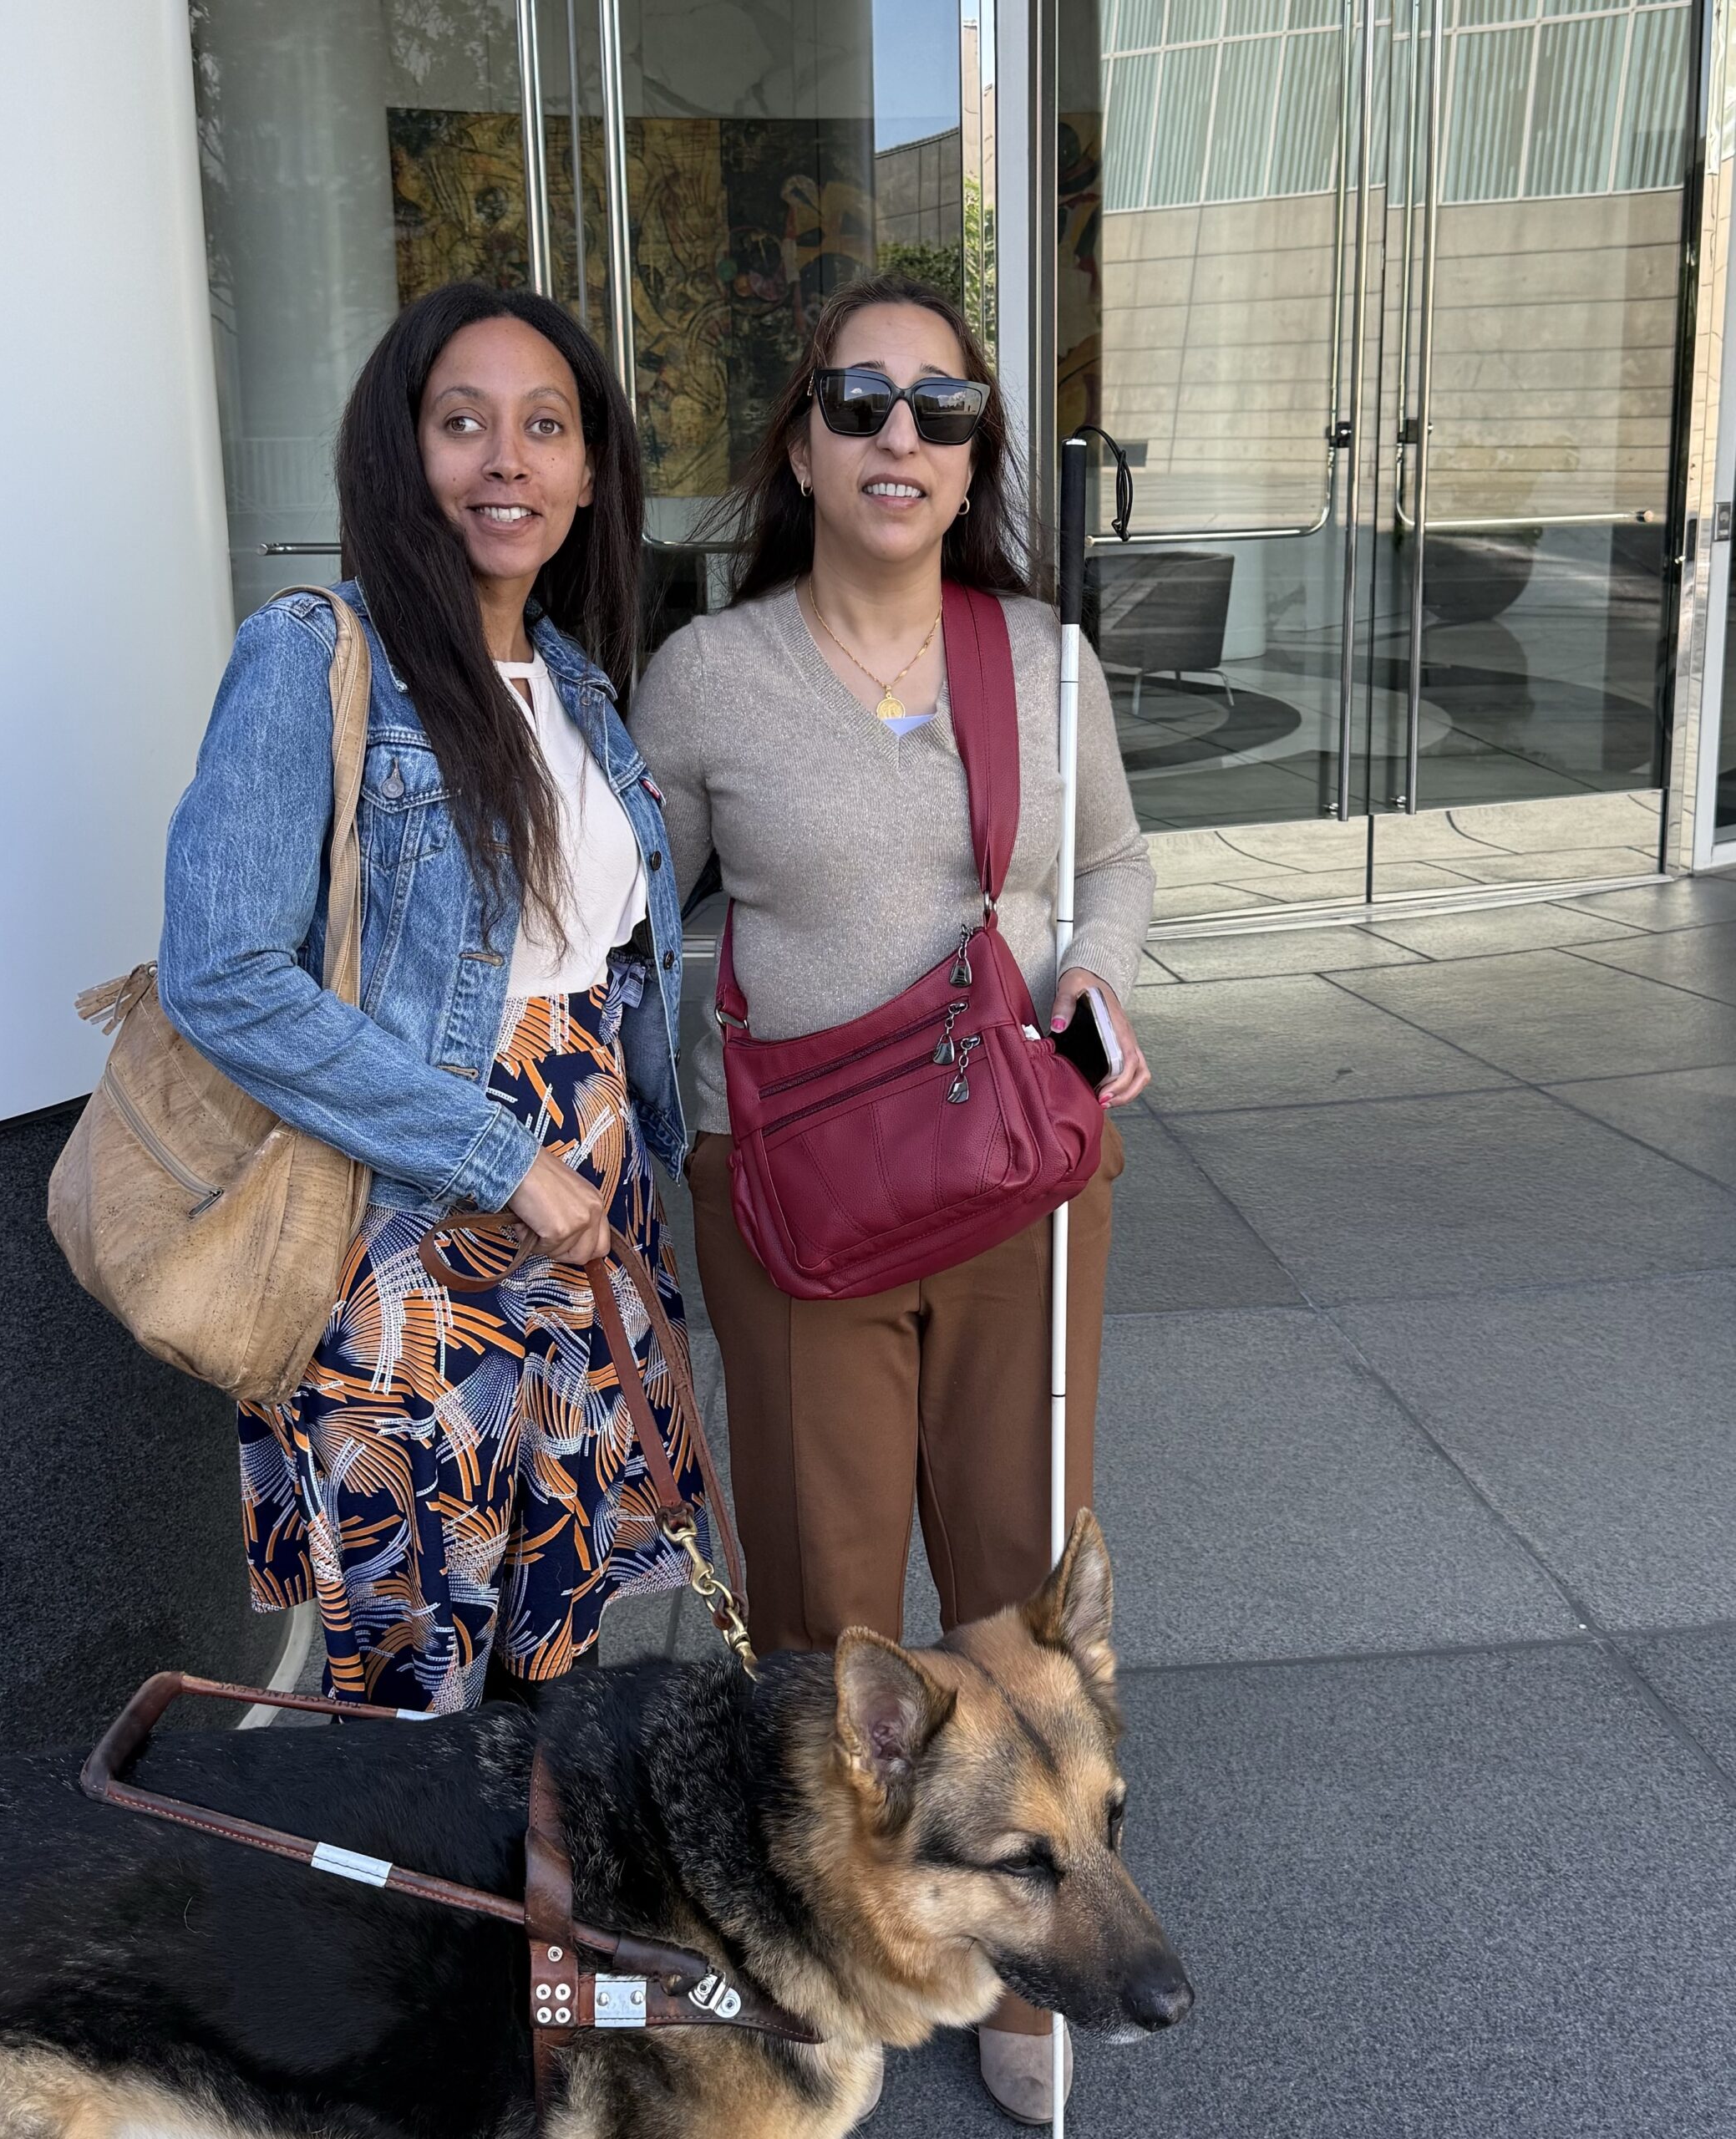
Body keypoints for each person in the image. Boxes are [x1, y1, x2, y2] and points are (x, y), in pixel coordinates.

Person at [630, 273, 1155, 2125]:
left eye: (940, 410)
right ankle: (821, 1970)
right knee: (821, 1609)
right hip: (786, 1198)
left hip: (1013, 1172)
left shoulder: (1041, 657)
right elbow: (627, 915)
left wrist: (1094, 980)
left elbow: (1105, 867)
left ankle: (1023, 1959)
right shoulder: (707, 676)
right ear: (800, 440)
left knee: (1016, 1579)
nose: (898, 437)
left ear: (972, 451)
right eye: (861, 402)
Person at [160, 284, 708, 1715]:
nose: (505, 462)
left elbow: (603, 975)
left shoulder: (580, 685)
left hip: (585, 1228)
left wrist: (633, 1159)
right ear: (402, 456)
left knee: (554, 1665)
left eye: (545, 427)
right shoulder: (313, 653)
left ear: (591, 475)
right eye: (462, 425)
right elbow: (221, 973)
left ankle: (538, 1945)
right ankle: (414, 1945)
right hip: (408, 1247)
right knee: (413, 1684)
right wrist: (497, 1157)